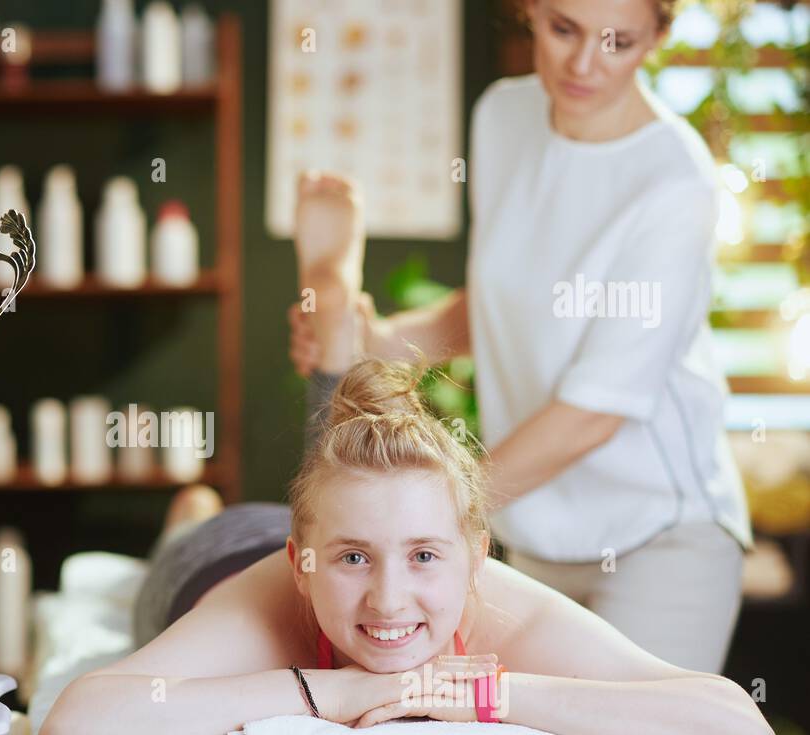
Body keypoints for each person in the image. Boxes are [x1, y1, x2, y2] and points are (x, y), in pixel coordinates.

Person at [35, 358, 776, 735]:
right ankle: (190, 512)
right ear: (304, 567)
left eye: (424, 555)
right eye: (354, 559)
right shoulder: (260, 601)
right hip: (219, 556)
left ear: (476, 557)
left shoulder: (502, 609)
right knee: (188, 529)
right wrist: (332, 689)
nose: (390, 601)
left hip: (299, 524)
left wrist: (492, 694)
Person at [289, 0, 752, 674]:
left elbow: (593, 413)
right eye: (564, 29)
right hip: (533, 527)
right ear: (532, 11)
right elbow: (505, 303)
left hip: (660, 536)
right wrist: (382, 341)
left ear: (660, 35)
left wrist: (432, 512)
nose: (584, 63)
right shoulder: (503, 116)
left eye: (618, 41)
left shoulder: (674, 183)